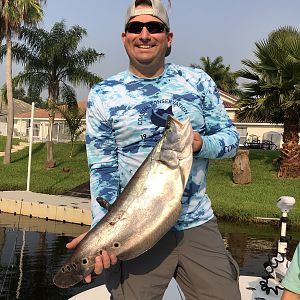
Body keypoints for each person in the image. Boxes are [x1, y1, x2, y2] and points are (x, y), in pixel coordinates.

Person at [67, 0, 241, 299]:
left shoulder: (197, 82)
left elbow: (230, 140)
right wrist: (102, 231)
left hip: (195, 223)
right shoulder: (103, 94)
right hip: (134, 229)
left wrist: (201, 145)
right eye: (135, 27)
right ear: (125, 37)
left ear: (168, 37)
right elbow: (102, 167)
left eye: (154, 27)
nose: (144, 34)